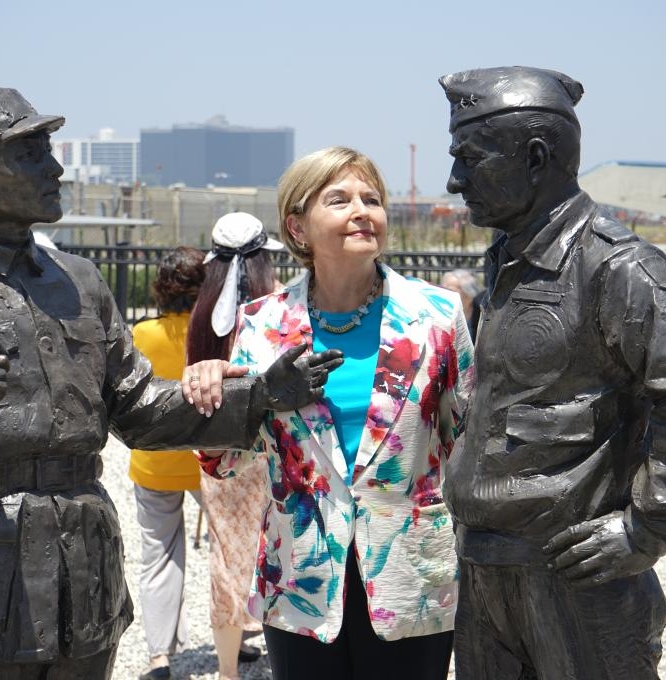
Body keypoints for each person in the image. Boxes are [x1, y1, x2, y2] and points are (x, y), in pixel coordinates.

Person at [0, 87, 342, 680]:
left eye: (49, 149)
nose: (54, 168)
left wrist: (259, 393)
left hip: (84, 576)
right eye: (28, 154)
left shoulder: (79, 282)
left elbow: (141, 409)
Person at [439, 66, 666, 679]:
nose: (455, 181)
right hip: (485, 570)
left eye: (471, 159)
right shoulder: (511, 260)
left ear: (536, 158)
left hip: (570, 578)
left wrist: (645, 530)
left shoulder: (615, 268)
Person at [191, 146, 475, 680]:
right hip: (299, 576)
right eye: (339, 199)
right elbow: (225, 462)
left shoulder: (437, 315)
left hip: (411, 572)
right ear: (298, 229)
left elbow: (471, 443)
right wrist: (212, 397)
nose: (362, 211)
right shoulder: (261, 324)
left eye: (373, 199)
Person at [187, 211, 283, 680]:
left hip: (220, 449)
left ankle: (227, 671)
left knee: (226, 556)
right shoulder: (279, 305)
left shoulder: (204, 311)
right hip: (276, 448)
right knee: (283, 548)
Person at [128, 246, 207, 680]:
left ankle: (159, 656)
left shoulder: (142, 333)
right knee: (233, 550)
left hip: (154, 458)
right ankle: (238, 630)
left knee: (157, 555)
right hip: (206, 459)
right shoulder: (214, 334)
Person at [440, 268, 483, 341]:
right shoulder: (439, 314)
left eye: (450, 290)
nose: (443, 294)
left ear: (468, 294)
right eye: (442, 289)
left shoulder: (482, 314)